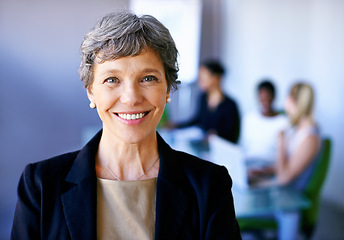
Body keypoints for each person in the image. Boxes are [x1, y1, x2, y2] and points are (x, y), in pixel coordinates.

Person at [11, 11, 241, 239]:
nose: (131, 98)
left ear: (168, 89)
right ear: (91, 91)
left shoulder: (210, 185)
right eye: (112, 80)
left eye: (148, 78)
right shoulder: (41, 185)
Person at [249, 82, 321, 190]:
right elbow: (287, 166)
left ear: (295, 102)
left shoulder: (310, 138)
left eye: (288, 97)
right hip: (280, 189)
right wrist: (263, 172)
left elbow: (283, 179)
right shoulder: (296, 130)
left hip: (289, 198)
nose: (285, 101)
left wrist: (281, 142)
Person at [175, 60, 241, 143]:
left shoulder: (230, 105)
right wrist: (177, 126)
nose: (200, 81)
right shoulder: (203, 98)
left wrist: (216, 135)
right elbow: (198, 120)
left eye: (204, 77)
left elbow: (232, 135)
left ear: (216, 78)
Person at [242, 80, 289, 166]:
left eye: (268, 96)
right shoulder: (249, 118)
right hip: (248, 164)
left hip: (269, 167)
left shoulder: (284, 122)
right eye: (262, 97)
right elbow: (244, 146)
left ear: (274, 96)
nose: (265, 100)